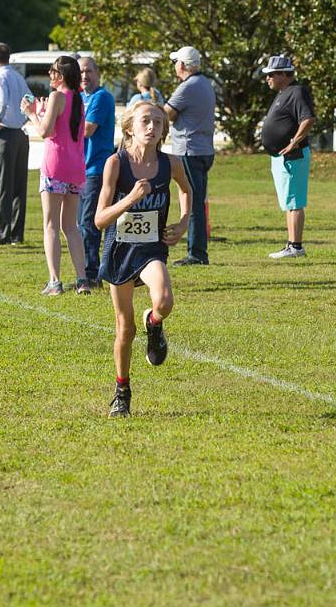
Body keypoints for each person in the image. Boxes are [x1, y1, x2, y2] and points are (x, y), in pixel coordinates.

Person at [95, 101, 193, 417]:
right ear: (129, 128)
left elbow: (187, 190)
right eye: (146, 122)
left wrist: (183, 222)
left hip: (152, 249)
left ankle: (155, 322)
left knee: (164, 301)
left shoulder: (170, 163)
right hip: (120, 251)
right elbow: (99, 219)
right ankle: (122, 392)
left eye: (158, 123)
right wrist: (131, 198)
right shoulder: (116, 163)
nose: (152, 127)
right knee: (125, 329)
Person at [22, 55, 88, 294]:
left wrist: (31, 113)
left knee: (50, 225)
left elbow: (45, 130)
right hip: (75, 167)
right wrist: (41, 111)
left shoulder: (56, 96)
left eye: (52, 71)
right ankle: (82, 280)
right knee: (71, 226)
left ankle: (55, 281)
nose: (49, 75)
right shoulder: (79, 99)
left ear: (60, 75)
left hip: (55, 165)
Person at [259, 54, 316, 260]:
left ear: (284, 74)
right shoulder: (284, 92)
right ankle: (291, 244)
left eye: (272, 74)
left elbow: (307, 118)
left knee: (294, 201)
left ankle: (296, 246)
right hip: (280, 157)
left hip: (293, 156)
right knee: (288, 201)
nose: (268, 79)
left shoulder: (297, 91)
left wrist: (294, 142)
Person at [163, 46, 216, 266]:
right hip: (204, 149)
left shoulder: (187, 87)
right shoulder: (205, 84)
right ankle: (198, 250)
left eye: (176, 62)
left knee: (191, 203)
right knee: (198, 201)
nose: (175, 66)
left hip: (189, 150)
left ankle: (197, 253)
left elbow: (166, 113)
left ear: (182, 65)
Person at [0, 42, 30, 245]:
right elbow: (30, 98)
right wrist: (24, 118)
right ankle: (16, 233)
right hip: (20, 133)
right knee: (19, 186)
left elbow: (1, 101)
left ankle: (3, 232)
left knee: (2, 185)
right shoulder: (18, 76)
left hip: (4, 133)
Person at [78, 56, 116, 282]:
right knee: (80, 223)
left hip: (97, 168)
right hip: (79, 168)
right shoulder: (80, 97)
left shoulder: (102, 97)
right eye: (81, 71)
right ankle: (89, 269)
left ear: (98, 73)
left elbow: (87, 130)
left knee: (90, 222)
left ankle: (91, 273)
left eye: (89, 71)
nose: (84, 75)